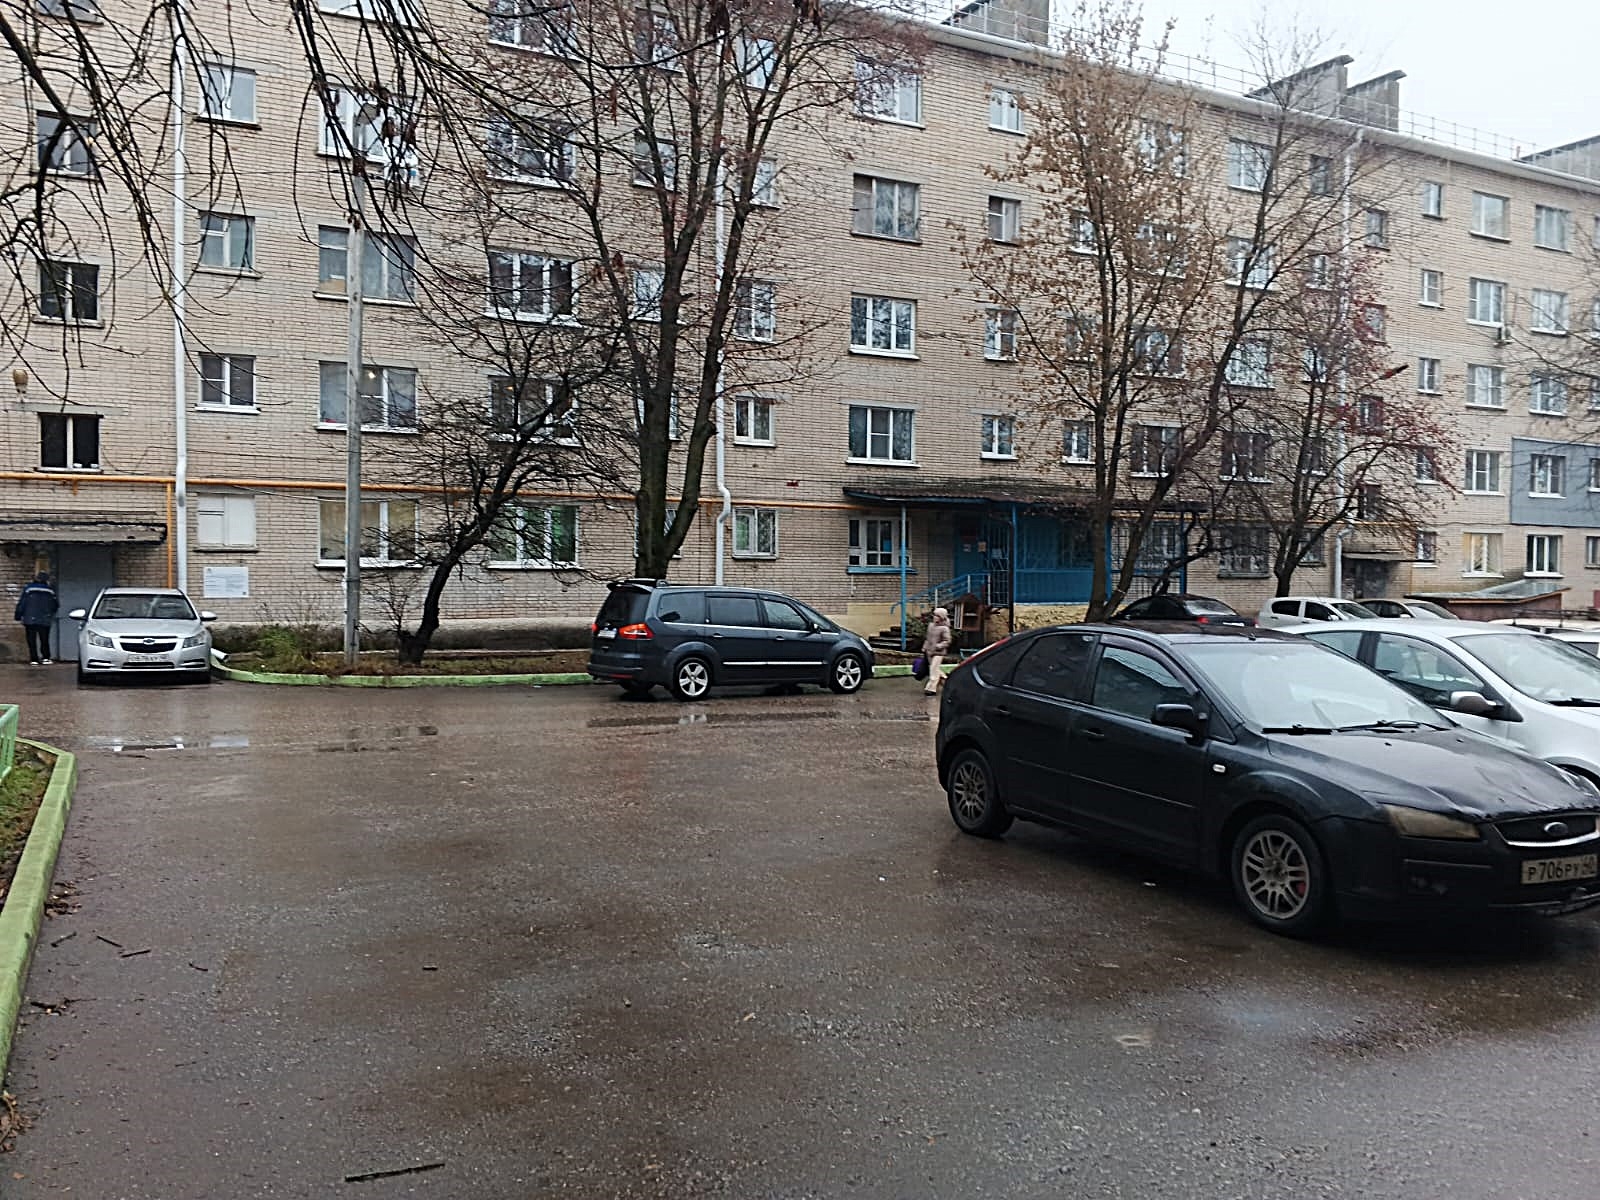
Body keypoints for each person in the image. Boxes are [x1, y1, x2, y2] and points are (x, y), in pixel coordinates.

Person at [14, 571, 59, 666]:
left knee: (31, 640)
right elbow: (55, 605)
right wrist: (50, 613)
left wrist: (18, 615)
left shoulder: (28, 589)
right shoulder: (50, 590)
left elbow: (22, 603)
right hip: (45, 619)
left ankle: (34, 659)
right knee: (44, 639)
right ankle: (46, 658)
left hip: (30, 618)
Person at [922, 606, 954, 696]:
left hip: (938, 653)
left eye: (937, 616)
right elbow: (928, 638)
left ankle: (931, 689)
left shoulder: (945, 628)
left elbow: (947, 641)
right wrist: (925, 647)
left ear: (941, 617)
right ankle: (946, 681)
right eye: (934, 615)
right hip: (929, 651)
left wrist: (938, 646)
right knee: (935, 669)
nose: (934, 617)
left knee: (933, 670)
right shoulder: (931, 626)